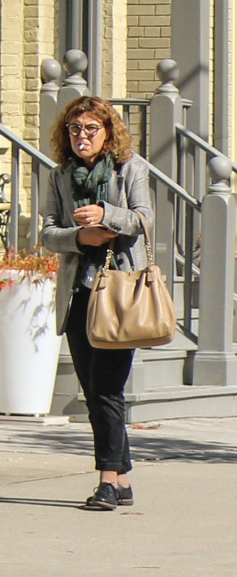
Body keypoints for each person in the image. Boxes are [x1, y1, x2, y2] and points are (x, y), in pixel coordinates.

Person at [41, 96, 153, 511]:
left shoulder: (131, 169)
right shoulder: (60, 176)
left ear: (108, 133)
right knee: (93, 391)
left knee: (108, 389)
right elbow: (48, 232)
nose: (81, 136)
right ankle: (121, 478)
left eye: (90, 129)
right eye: (74, 129)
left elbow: (144, 219)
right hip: (79, 295)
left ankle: (107, 480)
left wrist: (107, 214)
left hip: (120, 293)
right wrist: (78, 237)